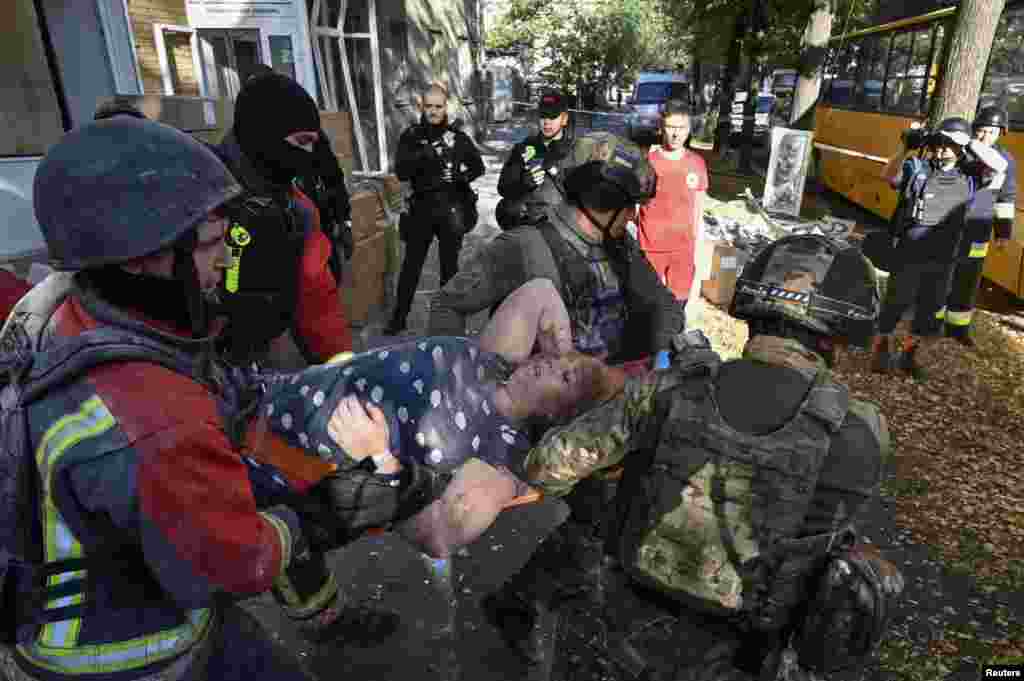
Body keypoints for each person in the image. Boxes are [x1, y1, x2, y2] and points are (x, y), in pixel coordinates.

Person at [0, 117, 433, 681]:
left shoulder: (66, 306)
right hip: (129, 654)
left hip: (104, 582)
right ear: (140, 258)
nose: (227, 261)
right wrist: (326, 512)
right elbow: (233, 562)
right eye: (210, 244)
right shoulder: (152, 421)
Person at [490, 234, 902, 680]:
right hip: (746, 659)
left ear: (750, 306)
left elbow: (546, 467)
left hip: (616, 642)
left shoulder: (668, 388)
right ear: (842, 333)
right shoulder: (860, 432)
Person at [255, 278, 616, 559]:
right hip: (271, 390)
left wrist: (379, 458)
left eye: (566, 377)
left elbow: (438, 538)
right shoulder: (496, 358)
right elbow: (541, 291)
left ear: (558, 415)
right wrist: (564, 351)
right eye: (563, 359)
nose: (554, 362)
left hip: (280, 452)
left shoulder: (499, 461)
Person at [429, 130, 684, 363]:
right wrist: (460, 383)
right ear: (602, 199)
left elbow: (663, 304)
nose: (632, 216)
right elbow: (447, 304)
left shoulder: (620, 246)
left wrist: (661, 358)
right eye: (628, 206)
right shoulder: (524, 247)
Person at [215, 71, 353, 369]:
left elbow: (318, 305)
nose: (310, 155)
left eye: (314, 143)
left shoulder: (298, 209)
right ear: (265, 134)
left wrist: (343, 370)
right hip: (199, 368)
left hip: (261, 353)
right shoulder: (203, 202)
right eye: (301, 142)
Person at [872, 117, 1007, 380]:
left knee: (929, 309)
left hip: (944, 255)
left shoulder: (971, 175)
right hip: (910, 250)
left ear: (960, 148)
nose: (942, 148)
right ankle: (881, 349)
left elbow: (1000, 166)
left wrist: (967, 140)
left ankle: (908, 356)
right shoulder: (917, 166)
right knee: (895, 303)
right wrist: (905, 148)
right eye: (938, 143)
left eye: (948, 144)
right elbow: (887, 175)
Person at [385, 84, 485, 335]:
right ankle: (398, 320)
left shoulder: (457, 137)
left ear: (446, 107)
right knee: (411, 268)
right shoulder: (411, 136)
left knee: (449, 270)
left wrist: (461, 177)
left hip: (452, 209)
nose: (433, 111)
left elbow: (478, 167)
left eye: (438, 106)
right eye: (428, 106)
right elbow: (401, 171)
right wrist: (425, 154)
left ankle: (448, 323)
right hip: (421, 209)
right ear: (422, 106)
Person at [942, 106, 1017, 347]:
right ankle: (932, 320)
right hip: (952, 224)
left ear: (1000, 133)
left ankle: (958, 327)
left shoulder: (1005, 160)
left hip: (979, 229)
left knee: (969, 277)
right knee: (944, 273)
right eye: (981, 131)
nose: (986, 136)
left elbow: (1006, 199)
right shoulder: (963, 153)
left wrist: (1003, 232)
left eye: (992, 132)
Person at [636, 99, 708, 305]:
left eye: (682, 128)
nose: (676, 134)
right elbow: (635, 205)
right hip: (651, 248)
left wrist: (697, 245)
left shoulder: (697, 163)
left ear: (689, 129)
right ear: (661, 127)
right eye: (670, 127)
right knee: (649, 308)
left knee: (677, 309)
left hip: (683, 249)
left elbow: (698, 209)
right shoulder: (648, 162)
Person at [497, 89, 576, 224]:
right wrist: (523, 183)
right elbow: (503, 188)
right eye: (543, 116)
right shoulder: (524, 148)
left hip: (562, 229)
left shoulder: (575, 150)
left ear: (564, 119)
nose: (547, 122)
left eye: (553, 116)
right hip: (528, 227)